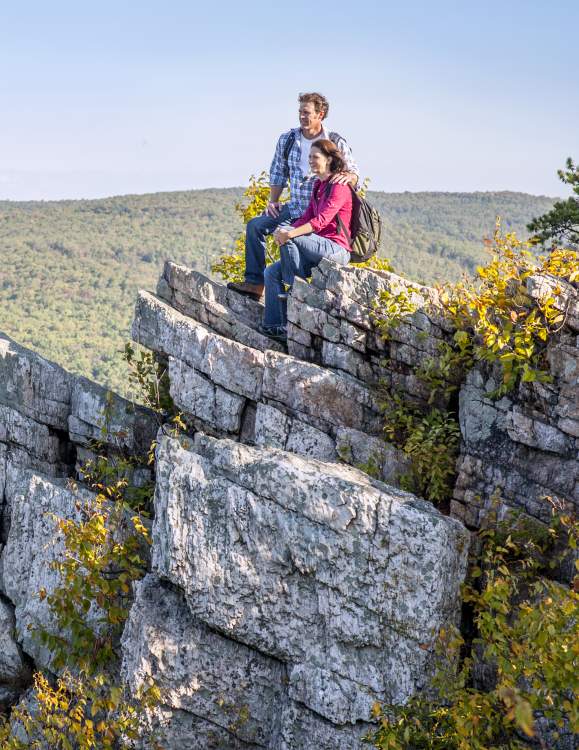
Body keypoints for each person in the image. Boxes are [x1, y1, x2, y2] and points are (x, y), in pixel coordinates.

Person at [227, 92, 358, 301]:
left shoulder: (334, 141)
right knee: (255, 225)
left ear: (320, 114)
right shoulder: (288, 139)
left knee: (289, 236)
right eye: (300, 112)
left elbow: (353, 175)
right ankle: (254, 284)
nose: (302, 117)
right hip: (295, 207)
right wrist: (273, 201)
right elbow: (278, 172)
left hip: (319, 213)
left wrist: (349, 177)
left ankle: (294, 291)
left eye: (307, 113)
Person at [258, 139, 353, 341]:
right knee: (271, 272)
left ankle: (296, 294)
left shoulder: (338, 187)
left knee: (290, 237)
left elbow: (320, 221)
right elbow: (306, 217)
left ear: (328, 160)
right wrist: (284, 231)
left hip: (336, 250)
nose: (310, 160)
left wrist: (289, 234)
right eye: (309, 156)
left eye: (315, 157)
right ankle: (277, 326)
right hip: (316, 247)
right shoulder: (318, 185)